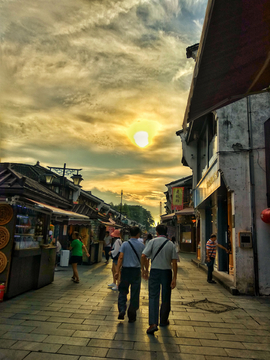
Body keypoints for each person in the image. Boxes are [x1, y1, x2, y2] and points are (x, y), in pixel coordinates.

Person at [141, 224, 178, 335]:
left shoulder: (152, 242)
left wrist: (144, 270)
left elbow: (143, 256)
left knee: (153, 296)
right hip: (167, 272)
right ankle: (163, 320)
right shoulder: (170, 244)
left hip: (155, 271)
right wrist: (175, 277)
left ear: (156, 232)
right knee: (166, 296)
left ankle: (153, 323)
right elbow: (174, 262)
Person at [115, 226, 145, 323]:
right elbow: (143, 258)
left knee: (123, 290)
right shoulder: (141, 245)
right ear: (138, 234)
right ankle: (132, 314)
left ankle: (122, 309)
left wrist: (117, 270)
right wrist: (144, 269)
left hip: (126, 270)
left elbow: (120, 257)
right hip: (136, 271)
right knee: (135, 292)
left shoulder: (125, 244)